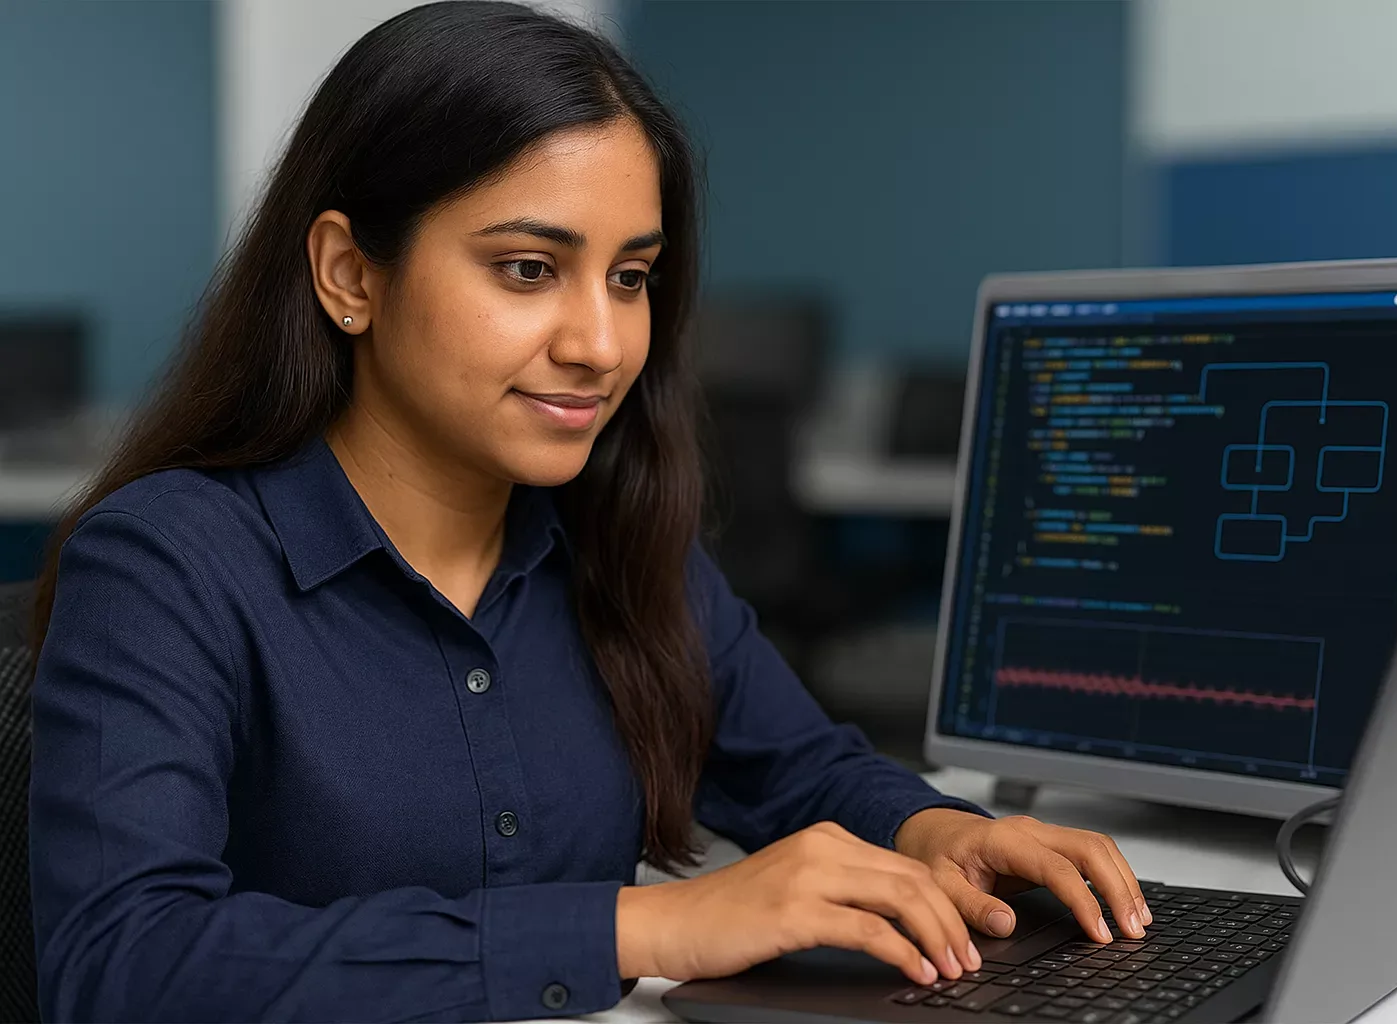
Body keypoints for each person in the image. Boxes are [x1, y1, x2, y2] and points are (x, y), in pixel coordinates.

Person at [27, 3, 1150, 1020]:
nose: (600, 346)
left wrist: (939, 830)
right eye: (526, 269)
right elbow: (125, 961)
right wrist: (651, 925)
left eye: (630, 277)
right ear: (349, 275)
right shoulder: (169, 561)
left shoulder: (611, 534)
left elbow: (799, 766)